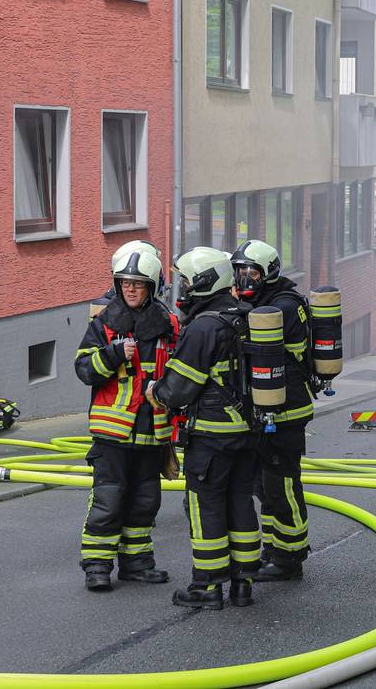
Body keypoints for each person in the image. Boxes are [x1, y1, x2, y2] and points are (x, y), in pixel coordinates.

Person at [156, 247, 260, 610]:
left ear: (203, 282)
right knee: (240, 502)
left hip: (213, 435)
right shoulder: (245, 316)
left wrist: (157, 390)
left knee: (206, 506)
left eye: (186, 281)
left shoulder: (203, 327)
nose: (182, 288)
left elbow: (178, 389)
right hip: (249, 433)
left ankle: (208, 585)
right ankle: (243, 583)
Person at [75, 244, 176, 591]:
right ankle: (97, 566)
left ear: (152, 286)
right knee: (109, 499)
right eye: (124, 282)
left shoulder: (169, 325)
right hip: (112, 435)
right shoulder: (104, 324)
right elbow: (84, 370)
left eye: (138, 283)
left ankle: (137, 564)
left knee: (145, 501)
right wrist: (113, 354)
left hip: (152, 433)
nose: (130, 289)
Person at [230, 240, 316, 582]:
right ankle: (275, 548)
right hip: (263, 411)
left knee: (282, 485)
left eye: (251, 273)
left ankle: (291, 556)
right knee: (263, 486)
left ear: (268, 274)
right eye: (239, 273)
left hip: (286, 411)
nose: (243, 280)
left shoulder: (282, 305)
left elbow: (252, 329)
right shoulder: (265, 300)